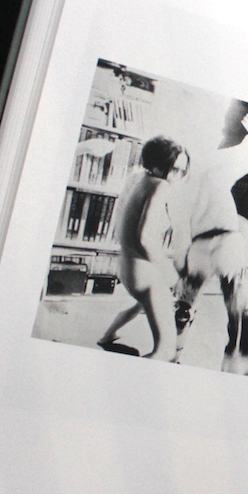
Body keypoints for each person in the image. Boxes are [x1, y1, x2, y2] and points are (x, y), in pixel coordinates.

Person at [173, 111, 248, 366]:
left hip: (199, 246)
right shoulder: (214, 162)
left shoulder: (180, 177)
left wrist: (180, 265)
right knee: (235, 304)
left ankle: (174, 355)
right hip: (225, 240)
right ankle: (238, 353)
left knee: (185, 306)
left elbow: (179, 227)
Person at [98, 136, 189, 360]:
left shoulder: (138, 178)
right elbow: (145, 238)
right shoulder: (161, 186)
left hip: (127, 268)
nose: (177, 176)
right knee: (166, 351)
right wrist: (170, 275)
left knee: (142, 302)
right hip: (143, 274)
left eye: (182, 171)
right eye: (174, 169)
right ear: (157, 165)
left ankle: (108, 335)